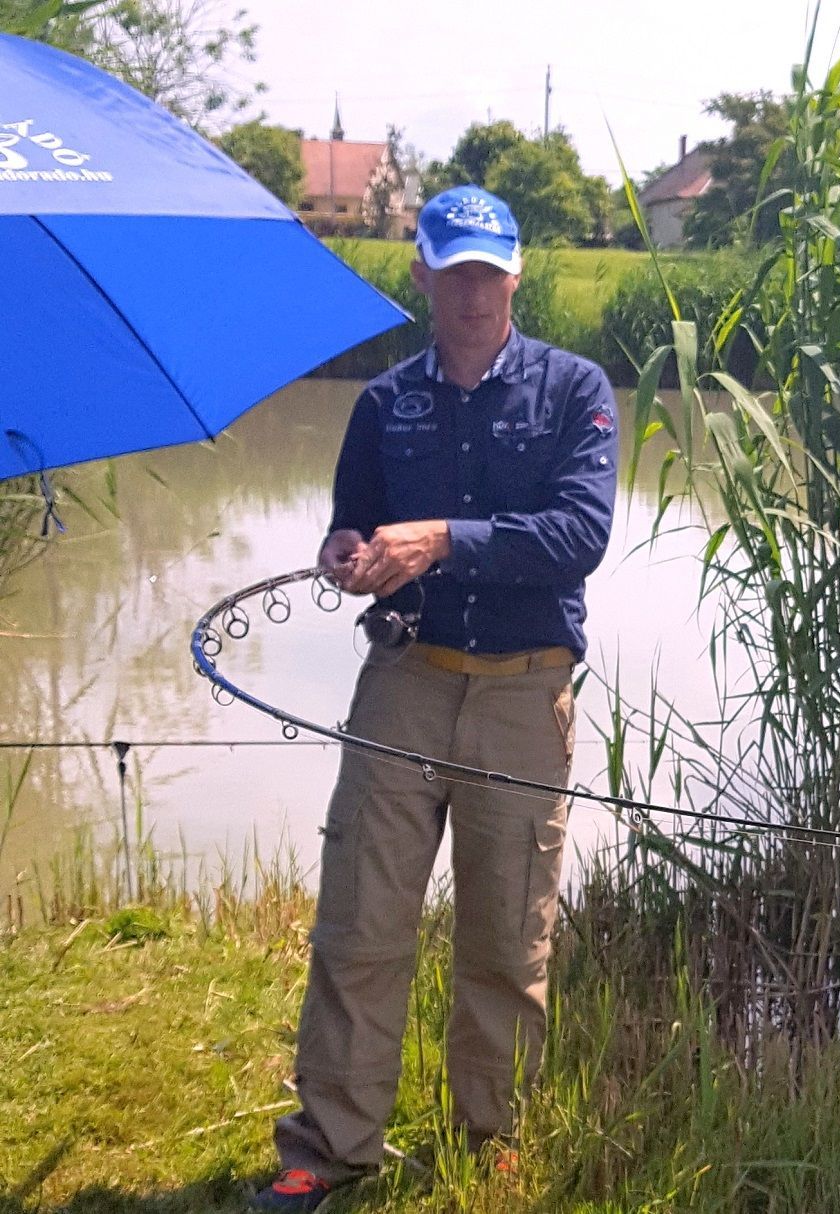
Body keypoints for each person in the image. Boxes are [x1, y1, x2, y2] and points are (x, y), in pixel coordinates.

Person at [254, 185, 618, 1212]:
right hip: (403, 682)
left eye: (489, 271)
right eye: (452, 270)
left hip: (524, 689)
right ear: (419, 272)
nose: (472, 292)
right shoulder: (384, 401)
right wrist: (347, 552)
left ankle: (492, 1136)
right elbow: (354, 525)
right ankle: (327, 1145)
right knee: (359, 922)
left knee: (508, 934)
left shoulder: (575, 388)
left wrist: (445, 537)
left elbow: (578, 537)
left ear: (518, 273)